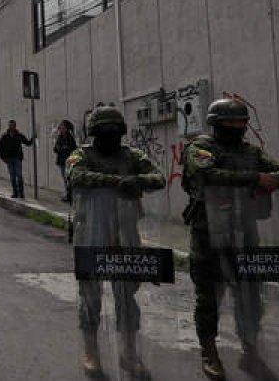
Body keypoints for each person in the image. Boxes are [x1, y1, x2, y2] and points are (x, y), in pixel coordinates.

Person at [180, 98, 279, 380]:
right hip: (209, 233)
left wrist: (268, 180)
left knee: (250, 294)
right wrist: (254, 179)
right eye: (230, 125)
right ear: (216, 125)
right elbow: (207, 174)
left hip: (245, 230)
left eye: (241, 124)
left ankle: (250, 350)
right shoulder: (199, 147)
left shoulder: (250, 151)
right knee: (209, 296)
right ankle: (209, 350)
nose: (237, 129)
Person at [67, 105, 165, 378]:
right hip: (92, 232)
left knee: (126, 296)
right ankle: (91, 351)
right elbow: (76, 176)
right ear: (94, 133)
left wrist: (134, 180)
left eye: (114, 133)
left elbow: (158, 178)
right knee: (90, 297)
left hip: (125, 231)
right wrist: (118, 182)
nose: (110, 138)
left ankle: (129, 352)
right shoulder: (81, 154)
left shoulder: (131, 155)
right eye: (104, 133)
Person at [0, 120, 33, 199]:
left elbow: (27, 143)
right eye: (10, 125)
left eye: (13, 125)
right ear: (8, 126)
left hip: (17, 158)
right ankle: (15, 193)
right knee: (12, 176)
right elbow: (0, 148)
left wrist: (33, 138)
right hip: (8, 159)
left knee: (19, 175)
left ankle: (21, 193)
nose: (12, 127)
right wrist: (2, 157)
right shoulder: (4, 136)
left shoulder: (19, 135)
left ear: (15, 126)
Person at [54, 120, 78, 202]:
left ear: (66, 128)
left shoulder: (70, 138)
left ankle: (70, 196)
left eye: (62, 126)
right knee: (65, 179)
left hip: (69, 161)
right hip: (61, 161)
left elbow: (73, 150)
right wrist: (61, 148)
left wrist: (63, 148)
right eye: (60, 126)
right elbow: (55, 149)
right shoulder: (60, 137)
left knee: (68, 179)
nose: (60, 128)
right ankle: (68, 195)